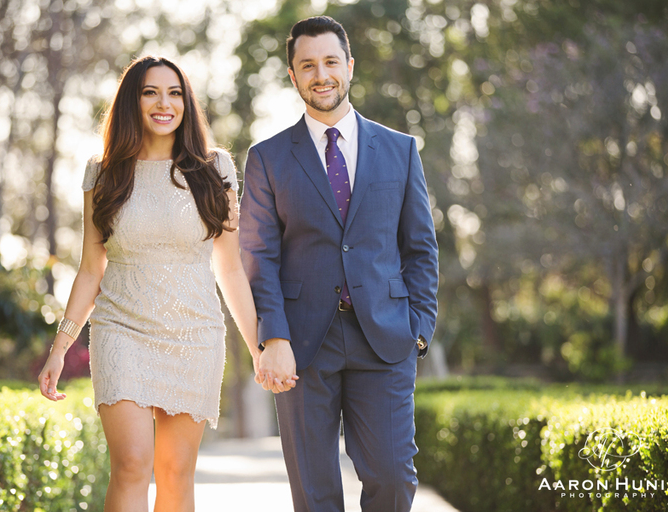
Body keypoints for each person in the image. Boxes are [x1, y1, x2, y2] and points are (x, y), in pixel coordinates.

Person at [37, 55, 293, 512]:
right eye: (150, 92)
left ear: (186, 103)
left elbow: (229, 269)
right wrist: (60, 348)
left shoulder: (215, 168)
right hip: (121, 332)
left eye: (175, 93)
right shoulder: (103, 172)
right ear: (132, 101)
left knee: (175, 474)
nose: (164, 103)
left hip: (194, 336)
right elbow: (91, 269)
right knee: (133, 464)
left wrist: (260, 347)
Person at [239, 15, 439, 512]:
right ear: (292, 75)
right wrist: (273, 337)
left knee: (393, 478)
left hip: (386, 338)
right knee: (315, 492)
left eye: (331, 61)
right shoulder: (266, 158)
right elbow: (258, 255)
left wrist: (419, 330)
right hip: (302, 344)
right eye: (307, 65)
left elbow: (420, 248)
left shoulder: (400, 150)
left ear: (349, 66)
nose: (321, 74)